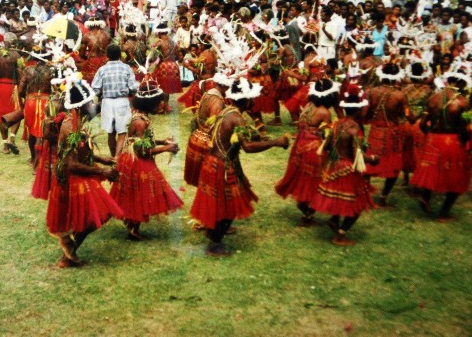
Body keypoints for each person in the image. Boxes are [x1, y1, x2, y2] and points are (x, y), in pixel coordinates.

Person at [190, 78, 290, 256]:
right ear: (247, 100)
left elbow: (234, 136)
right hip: (221, 166)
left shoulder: (227, 111)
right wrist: (276, 142)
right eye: (253, 98)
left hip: (213, 163)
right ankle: (214, 244)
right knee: (229, 207)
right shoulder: (236, 118)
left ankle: (212, 234)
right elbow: (248, 147)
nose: (254, 101)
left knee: (225, 204)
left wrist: (255, 135)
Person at [48, 71, 122, 268]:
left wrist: (101, 159)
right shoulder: (71, 127)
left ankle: (69, 250)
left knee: (96, 216)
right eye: (91, 102)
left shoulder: (77, 122)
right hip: (72, 177)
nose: (93, 106)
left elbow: (80, 152)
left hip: (79, 172)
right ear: (81, 105)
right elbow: (71, 164)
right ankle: (68, 251)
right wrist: (101, 172)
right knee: (96, 216)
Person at [110, 76, 182, 240]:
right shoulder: (140, 122)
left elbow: (143, 141)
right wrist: (166, 148)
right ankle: (132, 229)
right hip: (136, 161)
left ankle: (132, 227)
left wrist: (162, 141)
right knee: (140, 192)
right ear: (151, 104)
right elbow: (142, 149)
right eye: (159, 102)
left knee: (136, 193)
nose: (162, 105)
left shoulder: (140, 117)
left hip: (133, 158)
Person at [311, 85, 376, 245]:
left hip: (334, 165)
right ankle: (340, 235)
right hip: (347, 168)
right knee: (356, 204)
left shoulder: (336, 124)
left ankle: (334, 220)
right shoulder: (355, 129)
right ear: (359, 110)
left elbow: (325, 146)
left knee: (342, 199)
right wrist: (373, 159)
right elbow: (357, 156)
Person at [275, 79, 339, 225]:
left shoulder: (309, 105)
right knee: (314, 180)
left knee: (303, 177)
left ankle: (306, 209)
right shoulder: (324, 112)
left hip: (300, 144)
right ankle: (307, 211)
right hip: (313, 147)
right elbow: (327, 136)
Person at [412, 72, 472, 222]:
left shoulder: (433, 98)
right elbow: (466, 129)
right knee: (456, 177)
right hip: (452, 141)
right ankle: (443, 213)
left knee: (432, 170)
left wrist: (431, 135)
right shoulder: (462, 102)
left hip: (433, 139)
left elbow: (421, 124)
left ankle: (426, 198)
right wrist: (465, 141)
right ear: (460, 84)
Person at [364, 62, 407, 207]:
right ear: (396, 76)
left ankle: (366, 194)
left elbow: (366, 113)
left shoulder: (371, 92)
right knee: (393, 165)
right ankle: (383, 197)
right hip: (392, 132)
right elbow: (405, 115)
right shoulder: (400, 95)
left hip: (376, 130)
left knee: (370, 161)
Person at [91, 44, 138, 157]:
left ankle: (113, 158)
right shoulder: (126, 68)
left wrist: (102, 93)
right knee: (122, 133)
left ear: (107, 55)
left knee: (111, 134)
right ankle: (117, 158)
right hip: (122, 102)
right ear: (120, 55)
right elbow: (133, 88)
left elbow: (95, 88)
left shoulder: (102, 69)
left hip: (107, 103)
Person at [0, 32, 24, 154]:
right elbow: (22, 75)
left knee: (3, 116)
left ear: (4, 41)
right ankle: (12, 137)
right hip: (13, 88)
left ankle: (6, 146)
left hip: (0, 88)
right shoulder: (17, 56)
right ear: (14, 42)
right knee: (17, 113)